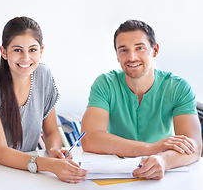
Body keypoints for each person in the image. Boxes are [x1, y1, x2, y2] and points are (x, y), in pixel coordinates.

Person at [0, 16, 88, 183]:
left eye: (32, 50)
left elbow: (51, 131)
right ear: (4, 52)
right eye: (17, 50)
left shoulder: (43, 75)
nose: (25, 58)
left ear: (41, 51)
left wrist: (53, 150)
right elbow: (1, 152)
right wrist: (51, 165)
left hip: (28, 173)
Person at [81, 19, 202, 180]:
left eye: (140, 48)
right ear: (117, 55)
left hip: (166, 170)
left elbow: (194, 146)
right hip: (118, 171)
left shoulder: (178, 87)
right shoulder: (105, 84)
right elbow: (89, 139)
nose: (132, 57)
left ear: (155, 50)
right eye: (123, 50)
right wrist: (152, 148)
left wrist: (164, 160)